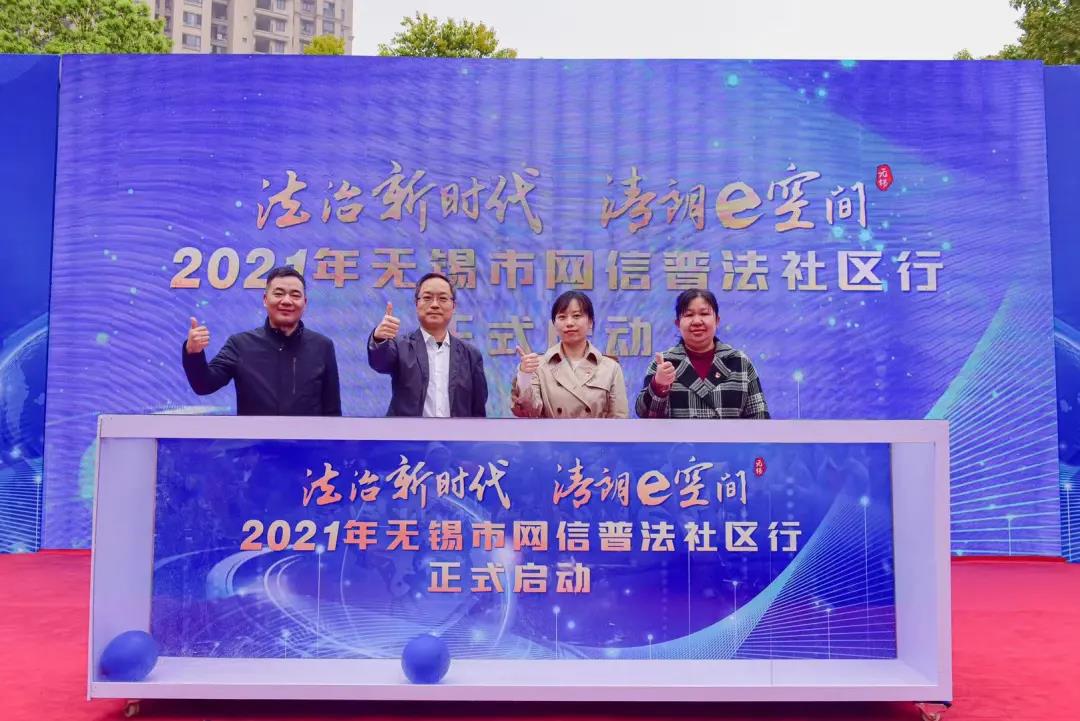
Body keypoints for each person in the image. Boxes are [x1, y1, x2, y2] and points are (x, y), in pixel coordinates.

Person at [182, 266, 341, 416]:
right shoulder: (240, 345)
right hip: (254, 437)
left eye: (295, 295)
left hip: (307, 437)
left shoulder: (322, 346)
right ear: (265, 299)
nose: (287, 301)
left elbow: (332, 412)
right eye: (278, 294)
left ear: (304, 303)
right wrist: (194, 353)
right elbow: (203, 385)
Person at [367, 272, 488, 417]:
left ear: (453, 306)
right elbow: (380, 362)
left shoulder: (471, 356)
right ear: (416, 304)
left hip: (456, 432)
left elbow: (478, 411)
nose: (435, 305)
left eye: (443, 298)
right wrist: (379, 339)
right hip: (407, 432)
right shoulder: (400, 346)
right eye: (427, 298)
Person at [636, 289, 769, 419]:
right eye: (689, 315)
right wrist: (659, 385)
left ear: (717, 320)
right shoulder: (664, 363)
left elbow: (760, 418)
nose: (697, 321)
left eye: (704, 314)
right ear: (677, 323)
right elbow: (644, 414)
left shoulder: (739, 362)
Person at [511, 291, 628, 418]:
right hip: (551, 432)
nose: (569, 323)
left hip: (595, 432)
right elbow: (528, 412)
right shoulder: (538, 366)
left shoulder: (610, 368)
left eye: (576, 316)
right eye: (562, 317)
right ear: (554, 324)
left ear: (590, 322)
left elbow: (619, 419)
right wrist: (524, 376)